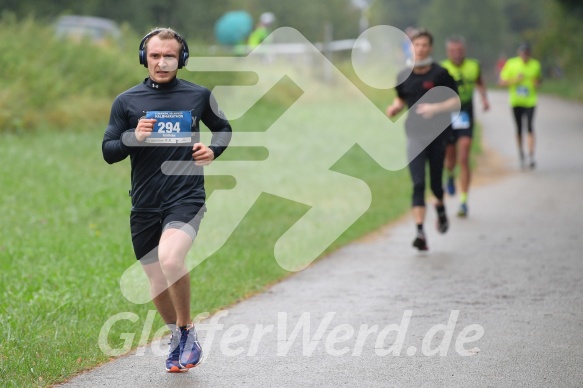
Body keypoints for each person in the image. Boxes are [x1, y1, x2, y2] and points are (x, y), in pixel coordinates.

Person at [102, 27, 232, 372]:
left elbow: (223, 127)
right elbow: (108, 151)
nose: (162, 62)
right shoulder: (126, 101)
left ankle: (188, 331)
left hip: (185, 197)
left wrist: (213, 150)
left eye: (169, 55)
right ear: (145, 57)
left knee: (170, 259)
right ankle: (175, 336)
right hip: (144, 203)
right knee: (156, 279)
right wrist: (134, 137)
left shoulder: (199, 95)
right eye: (156, 55)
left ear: (181, 59)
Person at [386, 29, 459, 251]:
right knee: (418, 183)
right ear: (411, 48)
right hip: (415, 135)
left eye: (425, 45)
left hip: (438, 135)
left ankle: (440, 208)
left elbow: (455, 102)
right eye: (417, 45)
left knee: (435, 183)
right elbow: (401, 98)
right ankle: (420, 232)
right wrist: (394, 108)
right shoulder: (402, 75)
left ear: (431, 48)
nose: (421, 49)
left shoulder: (441, 74)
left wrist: (436, 108)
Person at [440, 36, 489, 217]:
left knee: (464, 156)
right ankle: (450, 173)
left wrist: (484, 98)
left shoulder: (473, 65)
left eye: (460, 51)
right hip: (446, 115)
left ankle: (463, 201)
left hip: (465, 111)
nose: (457, 54)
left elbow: (480, 82)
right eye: (453, 51)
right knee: (450, 157)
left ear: (464, 51)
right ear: (448, 52)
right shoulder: (442, 68)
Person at [499, 43, 542, 169]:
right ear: (519, 53)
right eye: (523, 53)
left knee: (529, 127)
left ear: (530, 53)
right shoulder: (511, 64)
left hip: (530, 101)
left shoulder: (535, 65)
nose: (525, 55)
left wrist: (537, 83)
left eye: (527, 53)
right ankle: (521, 154)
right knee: (518, 129)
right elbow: (502, 82)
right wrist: (515, 80)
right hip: (516, 101)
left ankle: (531, 155)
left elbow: (539, 80)